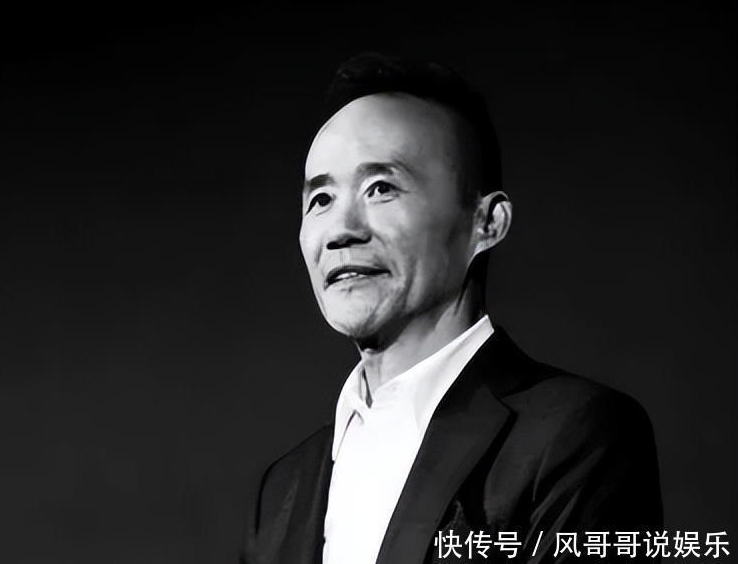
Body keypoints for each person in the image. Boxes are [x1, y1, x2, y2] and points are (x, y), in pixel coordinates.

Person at [239, 53, 662, 564]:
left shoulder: (576, 435)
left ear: (487, 223)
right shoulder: (285, 487)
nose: (341, 230)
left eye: (381, 189)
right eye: (321, 199)